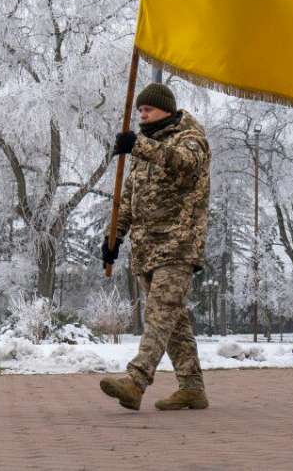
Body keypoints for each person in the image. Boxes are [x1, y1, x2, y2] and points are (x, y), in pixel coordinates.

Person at [99, 83, 212, 412]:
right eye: (140, 110)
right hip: (147, 249)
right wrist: (114, 239)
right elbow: (130, 201)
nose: (142, 114)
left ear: (166, 108)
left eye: (148, 109)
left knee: (159, 313)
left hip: (178, 244)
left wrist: (139, 146)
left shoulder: (190, 138)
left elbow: (184, 163)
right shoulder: (143, 151)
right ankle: (192, 388)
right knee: (173, 321)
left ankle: (135, 382)